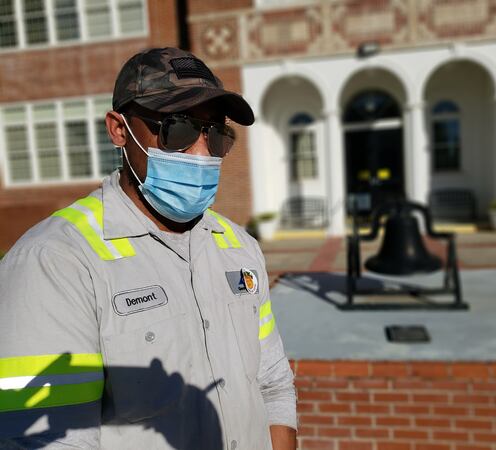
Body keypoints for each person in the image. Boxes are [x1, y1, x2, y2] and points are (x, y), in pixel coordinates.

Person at [0, 47, 297, 450]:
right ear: (119, 130)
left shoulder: (238, 246)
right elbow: (45, 441)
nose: (202, 153)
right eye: (179, 129)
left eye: (216, 134)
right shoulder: (56, 262)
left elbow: (273, 386)